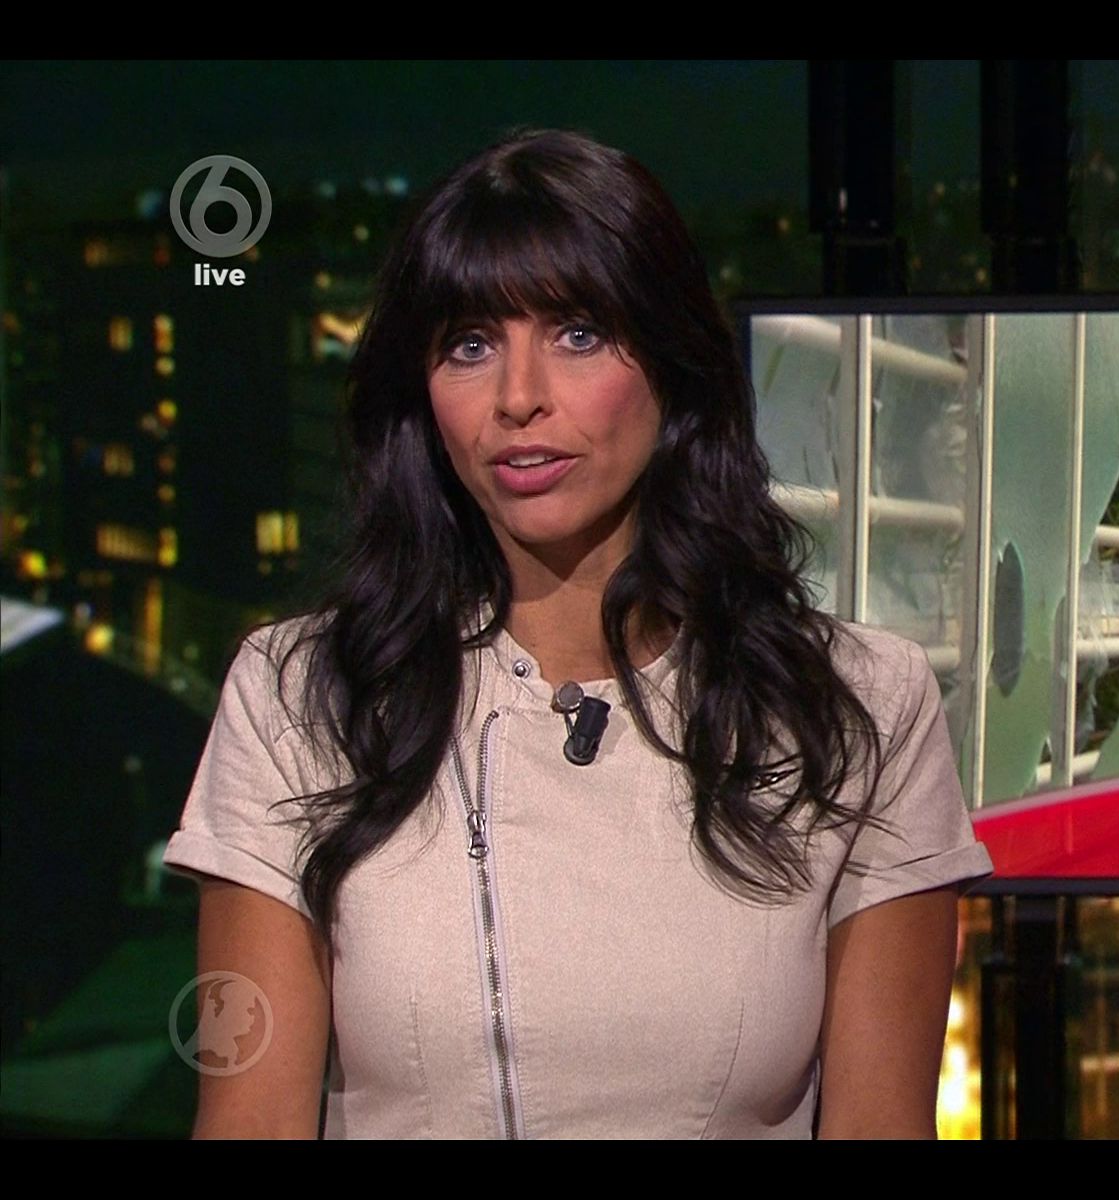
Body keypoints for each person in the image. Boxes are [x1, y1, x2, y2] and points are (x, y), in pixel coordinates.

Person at [161, 127, 996, 1139]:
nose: (519, 398)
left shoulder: (860, 707)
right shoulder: (302, 697)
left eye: (579, 334)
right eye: (470, 346)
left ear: (673, 366)